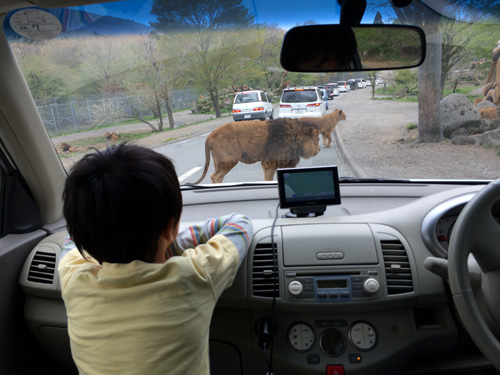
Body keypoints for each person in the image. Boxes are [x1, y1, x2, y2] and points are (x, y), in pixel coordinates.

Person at [58, 143, 253, 375]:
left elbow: (72, 240)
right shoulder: (194, 274)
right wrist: (172, 244)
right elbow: (239, 225)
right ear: (170, 228)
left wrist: (162, 237)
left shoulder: (73, 277)